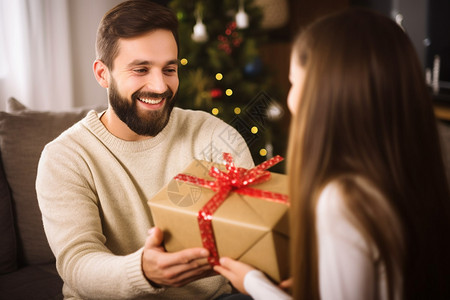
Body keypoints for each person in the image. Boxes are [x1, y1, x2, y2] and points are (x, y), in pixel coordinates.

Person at [214, 8, 450, 300]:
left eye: (294, 83)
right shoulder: (414, 171)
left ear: (324, 96)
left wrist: (253, 283)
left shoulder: (343, 199)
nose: (290, 99)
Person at [36, 1, 254, 299]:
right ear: (103, 74)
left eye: (169, 69)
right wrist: (142, 271)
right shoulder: (65, 157)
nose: (160, 86)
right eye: (141, 69)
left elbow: (251, 235)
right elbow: (77, 262)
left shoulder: (215, 137)